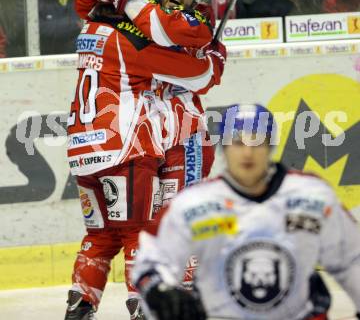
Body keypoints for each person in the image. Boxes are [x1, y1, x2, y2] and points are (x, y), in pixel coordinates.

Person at [65, 0, 225, 320]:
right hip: (129, 147)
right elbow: (197, 71)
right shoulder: (139, 36)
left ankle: (82, 306)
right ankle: (149, 308)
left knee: (107, 234)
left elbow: (90, 5)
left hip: (93, 147)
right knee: (143, 230)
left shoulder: (93, 26)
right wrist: (212, 58)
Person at [132, 103, 360, 320]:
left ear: (270, 146)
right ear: (224, 147)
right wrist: (158, 289)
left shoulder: (311, 195)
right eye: (238, 143)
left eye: (257, 142)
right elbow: (152, 259)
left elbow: (351, 258)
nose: (247, 153)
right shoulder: (194, 203)